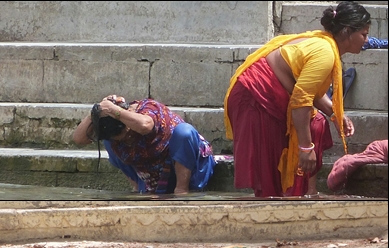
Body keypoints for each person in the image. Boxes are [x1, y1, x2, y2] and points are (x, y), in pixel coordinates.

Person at [223, 1, 371, 197]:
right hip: (256, 97)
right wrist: (305, 147)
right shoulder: (325, 52)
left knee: (317, 123)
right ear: (346, 31)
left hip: (271, 97)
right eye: (363, 34)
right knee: (269, 180)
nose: (367, 40)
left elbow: (311, 93)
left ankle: (305, 193)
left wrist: (336, 115)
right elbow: (301, 101)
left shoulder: (325, 45)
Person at [73, 95, 216, 195]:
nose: (127, 140)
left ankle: (181, 191)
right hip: (151, 175)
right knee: (108, 142)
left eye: (127, 135)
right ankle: (138, 189)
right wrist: (97, 110)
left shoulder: (148, 107)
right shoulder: (116, 137)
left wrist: (113, 110)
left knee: (184, 132)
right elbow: (78, 139)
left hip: (184, 166)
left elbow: (145, 125)